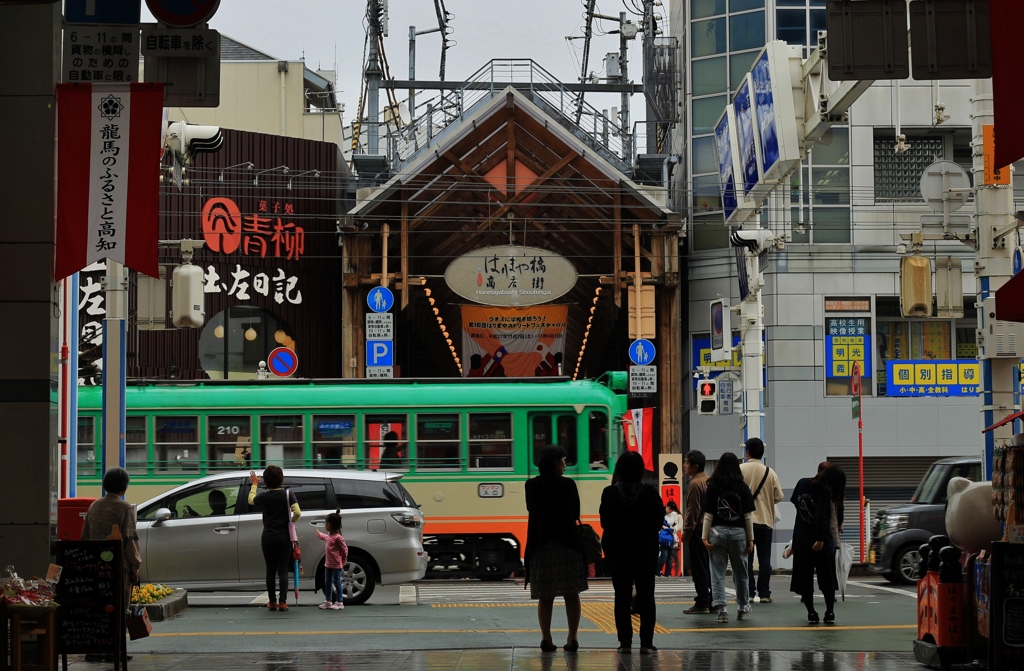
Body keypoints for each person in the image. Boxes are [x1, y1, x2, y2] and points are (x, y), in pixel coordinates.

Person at [524, 445, 588, 652]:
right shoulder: (568, 485)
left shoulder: (531, 485)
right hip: (567, 544)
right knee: (571, 593)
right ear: (555, 462)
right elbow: (576, 510)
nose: (565, 464)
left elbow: (531, 509)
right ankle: (572, 637)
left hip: (541, 545)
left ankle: (546, 638)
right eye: (563, 460)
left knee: (545, 594)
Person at [599, 451, 664, 654]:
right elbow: (658, 521)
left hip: (618, 552)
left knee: (622, 596)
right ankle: (646, 642)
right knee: (647, 596)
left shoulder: (609, 493)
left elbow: (605, 522)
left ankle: (625, 642)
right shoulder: (650, 493)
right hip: (645, 550)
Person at [81, 467, 142, 663]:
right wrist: (134, 567)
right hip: (118, 568)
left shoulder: (94, 506)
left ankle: (94, 649)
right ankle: (116, 650)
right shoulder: (124, 508)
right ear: (124, 486)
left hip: (95, 567)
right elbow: (130, 539)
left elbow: (85, 536)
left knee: (97, 608)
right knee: (118, 609)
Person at [701, 451, 755, 624]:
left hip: (717, 533)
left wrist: (704, 537)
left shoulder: (713, 486)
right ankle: (742, 607)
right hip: (739, 533)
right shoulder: (742, 487)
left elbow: (708, 515)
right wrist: (751, 539)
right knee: (741, 572)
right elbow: (747, 516)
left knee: (717, 572)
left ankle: (722, 610)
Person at [790, 464, 846, 624]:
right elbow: (822, 517)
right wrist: (820, 539)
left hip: (801, 538)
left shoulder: (802, 483)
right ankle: (829, 612)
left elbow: (796, 502)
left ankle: (811, 613)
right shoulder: (825, 491)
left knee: (805, 579)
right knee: (827, 578)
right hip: (821, 540)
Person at [248, 465, 301, 612]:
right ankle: (283, 602)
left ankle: (272, 601)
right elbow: (298, 512)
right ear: (281, 479)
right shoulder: (288, 494)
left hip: (268, 537)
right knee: (283, 570)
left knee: (270, 570)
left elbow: (251, 500)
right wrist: (292, 521)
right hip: (284, 537)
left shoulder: (264, 496)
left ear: (265, 480)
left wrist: (254, 485)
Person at [739, 437, 784, 604]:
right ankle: (764, 593)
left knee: (746, 559)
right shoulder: (769, 472)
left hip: (745, 522)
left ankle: (749, 592)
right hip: (765, 521)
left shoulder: (740, 469)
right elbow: (778, 496)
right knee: (765, 559)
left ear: (747, 452)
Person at [682, 450, 712, 614]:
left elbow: (692, 512)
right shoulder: (708, 481)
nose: (684, 466)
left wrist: (686, 533)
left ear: (695, 466)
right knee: (709, 567)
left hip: (698, 531)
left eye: (686, 463)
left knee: (699, 568)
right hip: (710, 530)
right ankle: (712, 599)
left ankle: (702, 602)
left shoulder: (694, 484)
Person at [316, 509, 349, 610]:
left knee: (337, 582)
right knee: (328, 582)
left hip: (336, 565)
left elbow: (345, 549)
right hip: (328, 564)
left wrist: (344, 559)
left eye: (326, 523)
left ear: (329, 525)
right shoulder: (330, 536)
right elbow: (326, 538)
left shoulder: (338, 538)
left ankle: (339, 601)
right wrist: (320, 535)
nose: (326, 525)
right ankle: (328, 600)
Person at [657, 501, 682, 577]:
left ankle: (668, 573)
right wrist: (664, 528)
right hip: (663, 537)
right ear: (666, 506)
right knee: (664, 555)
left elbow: (677, 526)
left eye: (672, 510)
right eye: (669, 509)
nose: (670, 511)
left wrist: (671, 529)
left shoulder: (674, 515)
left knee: (670, 556)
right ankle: (657, 571)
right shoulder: (661, 513)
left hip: (671, 537)